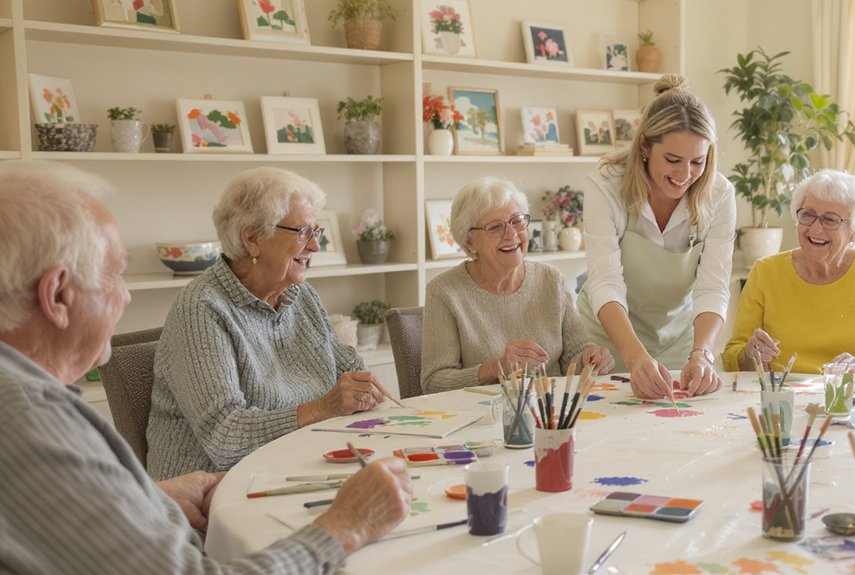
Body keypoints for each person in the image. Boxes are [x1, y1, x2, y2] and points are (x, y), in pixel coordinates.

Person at [0, 160, 411, 573]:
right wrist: (346, 527)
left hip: (282, 473)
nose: (126, 297)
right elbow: (222, 441)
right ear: (57, 296)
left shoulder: (32, 403)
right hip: (224, 504)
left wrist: (153, 495)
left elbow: (81, 515)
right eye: (115, 276)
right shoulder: (31, 420)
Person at [147, 167, 392, 479]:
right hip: (212, 488)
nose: (315, 247)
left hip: (300, 466)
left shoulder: (301, 295)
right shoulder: (201, 308)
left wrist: (362, 391)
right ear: (252, 238)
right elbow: (224, 437)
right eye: (303, 232)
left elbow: (352, 372)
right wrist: (322, 408)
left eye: (316, 232)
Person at [579, 74, 735, 399]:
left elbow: (712, 287)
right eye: (673, 160)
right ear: (645, 147)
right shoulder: (606, 186)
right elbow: (605, 282)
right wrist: (635, 358)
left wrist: (703, 354)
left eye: (698, 162)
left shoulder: (719, 194)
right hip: (608, 343)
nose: (685, 175)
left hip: (679, 343)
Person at [422, 177, 614, 392]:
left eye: (516, 221)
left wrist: (591, 358)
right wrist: (498, 367)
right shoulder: (444, 292)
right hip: (485, 411)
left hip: (551, 408)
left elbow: (576, 353)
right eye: (495, 227)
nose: (511, 234)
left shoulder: (551, 279)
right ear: (469, 242)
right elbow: (433, 383)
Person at [722, 170, 855, 377]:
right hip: (780, 393)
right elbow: (733, 356)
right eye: (808, 215)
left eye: (830, 220)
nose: (815, 229)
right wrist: (750, 354)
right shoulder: (765, 271)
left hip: (846, 394)